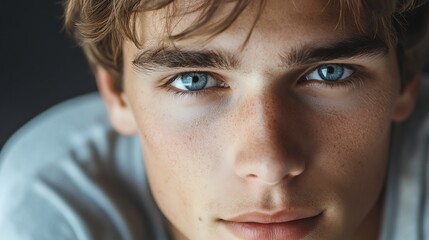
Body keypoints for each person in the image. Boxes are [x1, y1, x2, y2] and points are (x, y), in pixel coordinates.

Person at [0, 0, 428, 239]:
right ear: (118, 94)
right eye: (193, 80)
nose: (269, 163)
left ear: (406, 81)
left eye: (329, 73)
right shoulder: (52, 203)